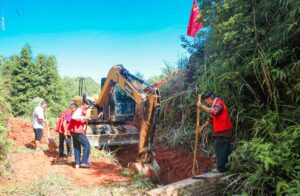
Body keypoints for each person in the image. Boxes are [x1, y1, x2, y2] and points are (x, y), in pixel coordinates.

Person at [197, 91, 233, 173]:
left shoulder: (219, 103)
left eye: (207, 102)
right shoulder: (214, 105)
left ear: (209, 99)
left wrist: (202, 106)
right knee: (225, 150)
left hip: (223, 133)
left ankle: (221, 169)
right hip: (223, 133)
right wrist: (202, 128)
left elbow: (214, 111)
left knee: (220, 150)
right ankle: (226, 168)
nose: (207, 104)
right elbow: (210, 119)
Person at [68, 101, 91, 168]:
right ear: (84, 104)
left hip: (73, 131)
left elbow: (78, 120)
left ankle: (77, 163)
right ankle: (84, 162)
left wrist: (84, 119)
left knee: (77, 147)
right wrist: (84, 117)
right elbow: (74, 117)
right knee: (87, 145)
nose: (88, 107)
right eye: (88, 106)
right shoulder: (79, 110)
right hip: (77, 131)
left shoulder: (80, 111)